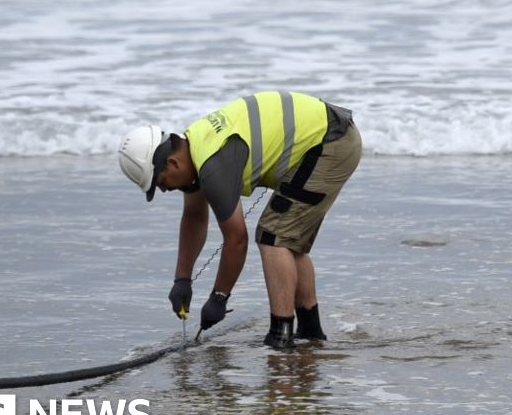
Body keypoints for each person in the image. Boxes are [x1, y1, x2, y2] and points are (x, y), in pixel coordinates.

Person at [118, 91, 361, 348]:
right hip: (328, 137)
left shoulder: (212, 165)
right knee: (287, 239)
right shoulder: (195, 147)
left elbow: (236, 239)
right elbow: (194, 218)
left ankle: (281, 336)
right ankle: (311, 333)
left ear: (172, 162)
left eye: (161, 183)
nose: (165, 190)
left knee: (273, 237)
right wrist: (182, 280)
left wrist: (219, 298)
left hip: (331, 142)